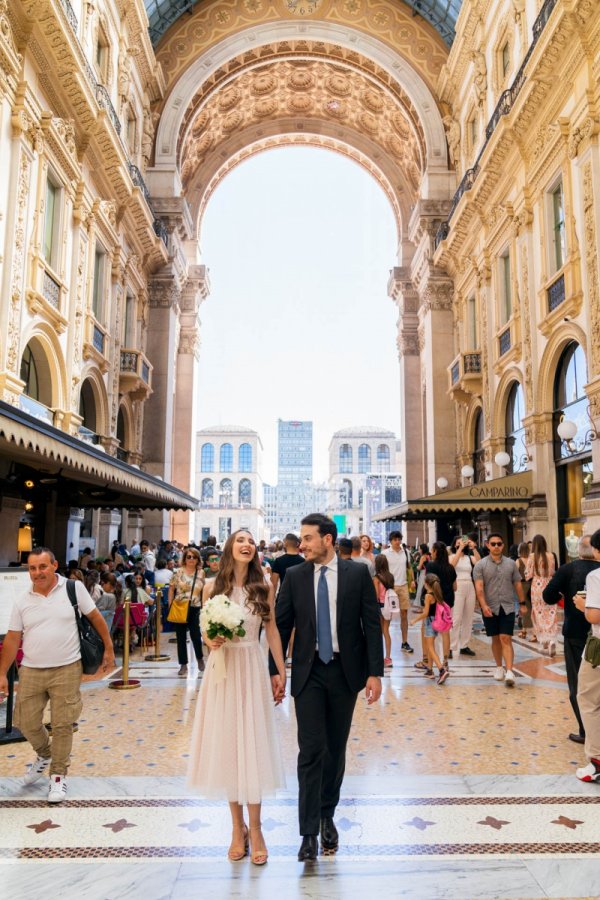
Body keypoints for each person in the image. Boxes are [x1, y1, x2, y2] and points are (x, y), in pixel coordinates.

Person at [271, 513, 383, 861]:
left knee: (335, 749)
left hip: (344, 672)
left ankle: (326, 815)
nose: (301, 544)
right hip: (308, 674)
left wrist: (374, 673)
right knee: (311, 750)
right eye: (301, 539)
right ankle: (307, 833)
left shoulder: (358, 574)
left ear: (328, 540)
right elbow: (279, 626)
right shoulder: (294, 575)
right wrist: (273, 671)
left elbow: (371, 624)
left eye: (307, 538)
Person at [187, 530, 286, 865]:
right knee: (229, 745)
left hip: (251, 666)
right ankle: (236, 828)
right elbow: (203, 628)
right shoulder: (212, 586)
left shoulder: (264, 587)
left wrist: (280, 667)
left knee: (253, 745)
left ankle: (256, 828)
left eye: (251, 541)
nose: (247, 544)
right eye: (240, 539)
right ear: (230, 548)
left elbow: (271, 629)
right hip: (223, 669)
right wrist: (210, 640)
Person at [0, 547, 115, 803]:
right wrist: (2, 674)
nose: (37, 573)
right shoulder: (22, 599)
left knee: (63, 724)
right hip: (31, 668)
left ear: (54, 565)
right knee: (26, 721)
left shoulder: (73, 588)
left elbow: (96, 618)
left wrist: (108, 648)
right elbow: (12, 638)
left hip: (67, 666)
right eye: (32, 568)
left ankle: (58, 776)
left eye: (42, 567)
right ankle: (45, 753)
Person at [543, 535, 600, 744]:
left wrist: (566, 597)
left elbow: (548, 596)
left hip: (577, 632)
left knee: (579, 683)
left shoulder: (568, 569)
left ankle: (586, 731)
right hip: (595, 632)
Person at [473, 533, 526, 687]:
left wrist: (522, 603)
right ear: (488, 545)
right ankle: (499, 667)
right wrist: (483, 605)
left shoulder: (511, 564)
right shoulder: (480, 565)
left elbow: (517, 584)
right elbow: (479, 588)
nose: (496, 546)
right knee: (495, 638)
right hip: (490, 607)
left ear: (503, 545)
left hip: (507, 606)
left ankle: (510, 671)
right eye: (493, 544)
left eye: (499, 543)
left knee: (506, 638)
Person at [574, 528, 600, 782]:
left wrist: (583, 605)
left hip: (599, 647)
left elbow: (594, 616)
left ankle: (597, 759)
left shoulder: (596, 576)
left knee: (589, 700)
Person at [168, 546, 205, 677]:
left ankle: (200, 658)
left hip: (195, 607)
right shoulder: (177, 572)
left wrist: (204, 607)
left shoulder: (201, 573)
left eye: (194, 557)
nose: (191, 559)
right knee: (181, 638)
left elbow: (204, 591)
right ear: (184, 558)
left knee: (196, 636)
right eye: (188, 557)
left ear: (197, 559)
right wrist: (170, 604)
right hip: (180, 606)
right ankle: (183, 664)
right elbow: (171, 589)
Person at [409, 573, 450, 684]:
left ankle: (441, 670)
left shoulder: (428, 596)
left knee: (430, 648)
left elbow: (425, 613)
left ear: (426, 584)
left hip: (429, 623)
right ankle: (430, 671)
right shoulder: (437, 594)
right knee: (430, 646)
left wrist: (414, 620)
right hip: (436, 622)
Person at [382, 530, 413, 654]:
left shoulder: (406, 552)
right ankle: (386, 642)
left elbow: (409, 567)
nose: (397, 541)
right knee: (388, 615)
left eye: (399, 539)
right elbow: (382, 569)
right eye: (395, 539)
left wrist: (412, 580)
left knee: (404, 614)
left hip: (404, 585)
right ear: (390, 541)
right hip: (391, 587)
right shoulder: (385, 553)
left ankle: (404, 642)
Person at [449, 535, 481, 657]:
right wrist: (459, 549)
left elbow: (479, 563)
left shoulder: (469, 557)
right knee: (456, 618)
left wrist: (474, 548)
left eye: (462, 543)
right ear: (454, 545)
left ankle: (464, 645)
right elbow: (452, 566)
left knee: (468, 618)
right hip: (458, 586)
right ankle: (451, 647)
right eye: (458, 543)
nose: (460, 544)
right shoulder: (451, 556)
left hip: (469, 585)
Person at [525, 533, 557, 653]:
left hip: (537, 587)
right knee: (551, 612)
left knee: (538, 613)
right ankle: (551, 639)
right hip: (549, 585)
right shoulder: (551, 555)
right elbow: (553, 571)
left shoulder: (532, 556)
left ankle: (544, 641)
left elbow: (528, 574)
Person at [425, 542, 456, 665]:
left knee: (431, 633)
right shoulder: (450, 568)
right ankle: (445, 660)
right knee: (446, 632)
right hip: (447, 602)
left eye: (432, 551)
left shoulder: (430, 566)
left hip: (434, 602)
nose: (431, 553)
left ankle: (431, 665)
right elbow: (455, 587)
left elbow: (428, 585)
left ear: (436, 552)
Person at [373, 554, 394, 667]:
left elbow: (376, 595)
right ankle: (388, 658)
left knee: (379, 632)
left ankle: (379, 657)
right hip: (389, 606)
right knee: (386, 631)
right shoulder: (390, 577)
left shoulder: (376, 578)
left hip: (380, 606)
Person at [516, 542, 532, 638]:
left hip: (522, 585)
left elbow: (514, 574)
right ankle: (525, 629)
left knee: (524, 607)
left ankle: (524, 630)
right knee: (530, 607)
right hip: (531, 584)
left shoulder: (518, 561)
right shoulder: (531, 560)